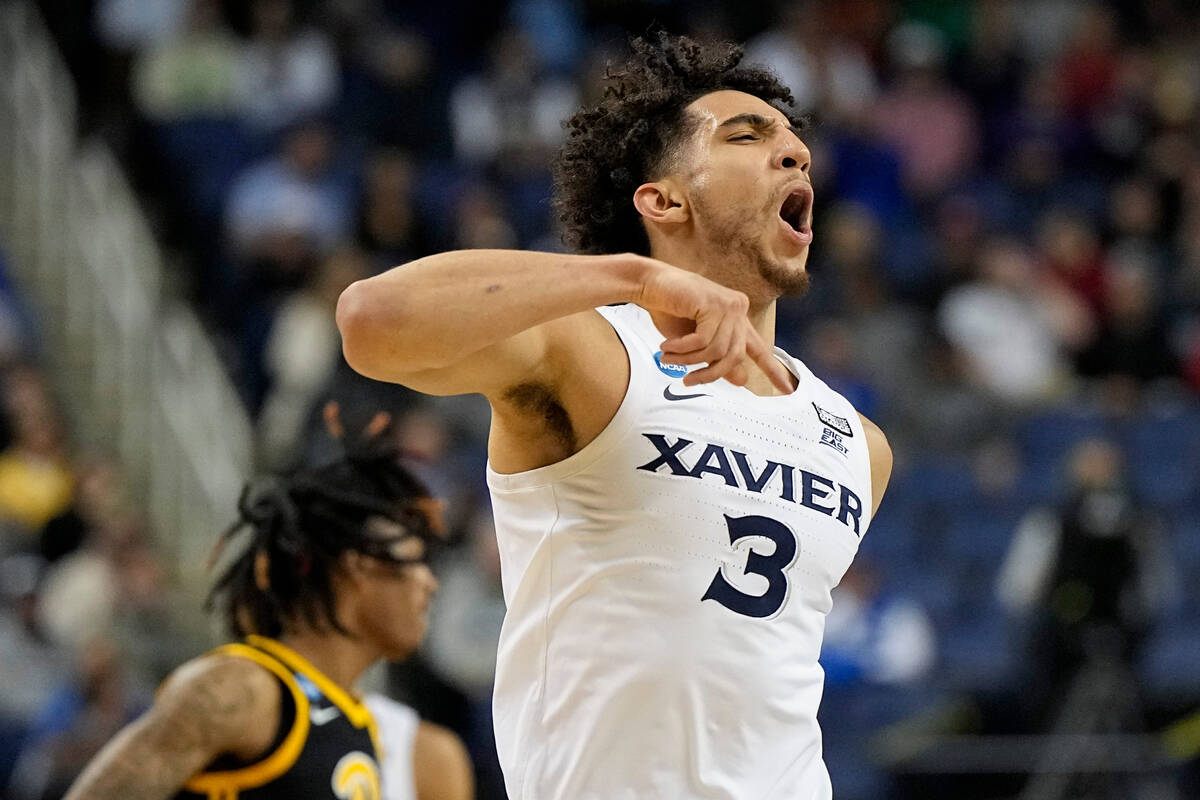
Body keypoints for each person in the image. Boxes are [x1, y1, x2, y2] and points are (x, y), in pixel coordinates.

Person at [337, 33, 893, 800]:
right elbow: (371, 321)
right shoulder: (595, 351)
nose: (795, 153)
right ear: (664, 199)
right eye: (747, 135)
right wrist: (636, 278)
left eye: (796, 143)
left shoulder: (859, 444)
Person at [61, 410, 473, 800]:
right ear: (358, 568)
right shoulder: (241, 689)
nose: (429, 583)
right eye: (416, 560)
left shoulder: (358, 724)